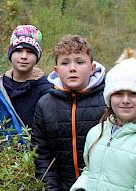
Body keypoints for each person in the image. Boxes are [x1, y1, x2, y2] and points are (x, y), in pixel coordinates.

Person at [71, 49, 136, 191]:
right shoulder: (96, 133)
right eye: (118, 93)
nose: (125, 100)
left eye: (134, 94)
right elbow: (90, 172)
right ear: (109, 98)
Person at [32, 35, 107, 191]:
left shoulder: (107, 100)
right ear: (56, 70)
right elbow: (42, 155)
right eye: (65, 63)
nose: (72, 68)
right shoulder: (45, 104)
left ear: (92, 68)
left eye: (80, 62)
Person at [2, 25, 52, 130]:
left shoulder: (47, 90)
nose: (24, 56)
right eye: (19, 50)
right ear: (11, 53)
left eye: (30, 52)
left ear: (37, 56)